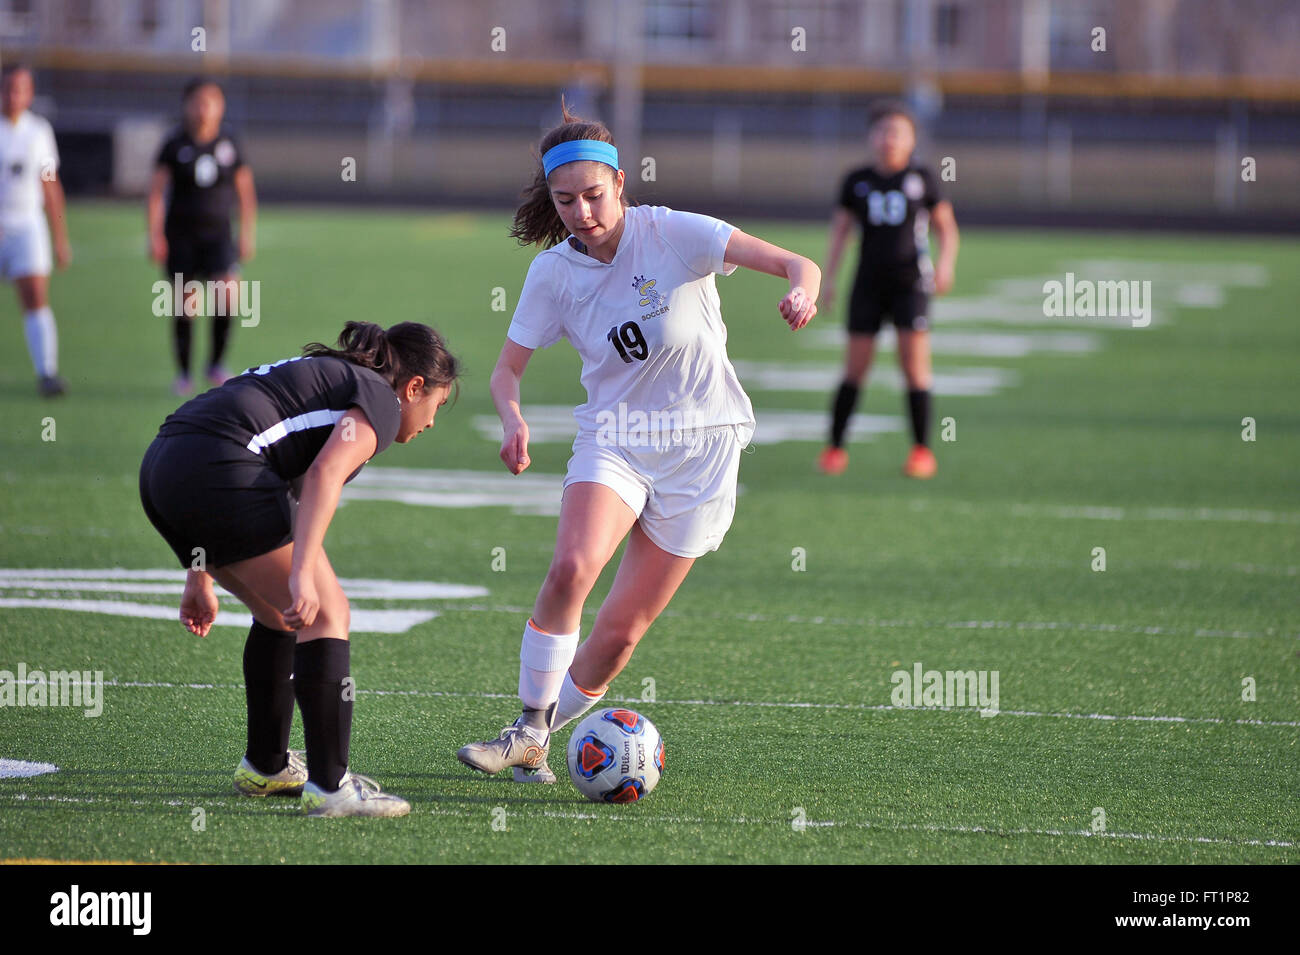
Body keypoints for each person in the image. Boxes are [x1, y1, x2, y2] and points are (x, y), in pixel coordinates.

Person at [456, 103, 820, 783]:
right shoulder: (553, 274)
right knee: (570, 569)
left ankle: (542, 738)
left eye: (594, 195)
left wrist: (803, 290)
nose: (582, 211)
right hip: (616, 438)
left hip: (703, 446)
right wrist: (512, 417)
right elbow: (507, 370)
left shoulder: (675, 233)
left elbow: (795, 262)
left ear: (621, 184)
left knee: (619, 635)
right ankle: (526, 725)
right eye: (565, 200)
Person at [139, 321, 459, 817]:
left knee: (277, 615)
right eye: (438, 405)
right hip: (220, 468)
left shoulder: (331, 379)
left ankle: (266, 766)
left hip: (164, 464)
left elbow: (284, 473)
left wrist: (199, 574)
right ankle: (332, 788)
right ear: (414, 387)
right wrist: (302, 571)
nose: (434, 422)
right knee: (328, 614)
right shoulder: (378, 397)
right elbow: (324, 473)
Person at [819, 101, 959, 479]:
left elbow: (947, 227)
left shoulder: (923, 178)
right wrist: (828, 278)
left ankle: (921, 451)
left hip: (910, 284)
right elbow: (841, 233)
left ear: (911, 139)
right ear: (871, 137)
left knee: (915, 368)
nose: (889, 139)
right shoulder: (856, 180)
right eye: (882, 131)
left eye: (898, 132)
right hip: (867, 283)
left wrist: (945, 265)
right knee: (855, 368)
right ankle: (834, 448)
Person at [147, 77, 257, 396]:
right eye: (198, 102)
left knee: (227, 295)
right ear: (187, 105)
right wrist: (155, 235)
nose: (204, 109)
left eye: (212, 102)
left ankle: (216, 364)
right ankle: (183, 373)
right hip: (181, 236)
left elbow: (245, 192)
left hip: (219, 236)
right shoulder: (174, 144)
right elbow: (156, 192)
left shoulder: (229, 142)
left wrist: (246, 233)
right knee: (186, 305)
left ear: (221, 106)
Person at [0, 64, 70, 397]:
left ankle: (47, 373)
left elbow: (49, 183)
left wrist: (60, 237)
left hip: (27, 224)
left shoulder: (38, 131)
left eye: (20, 88)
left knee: (36, 298)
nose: (13, 95)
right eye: (7, 88)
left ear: (29, 93)